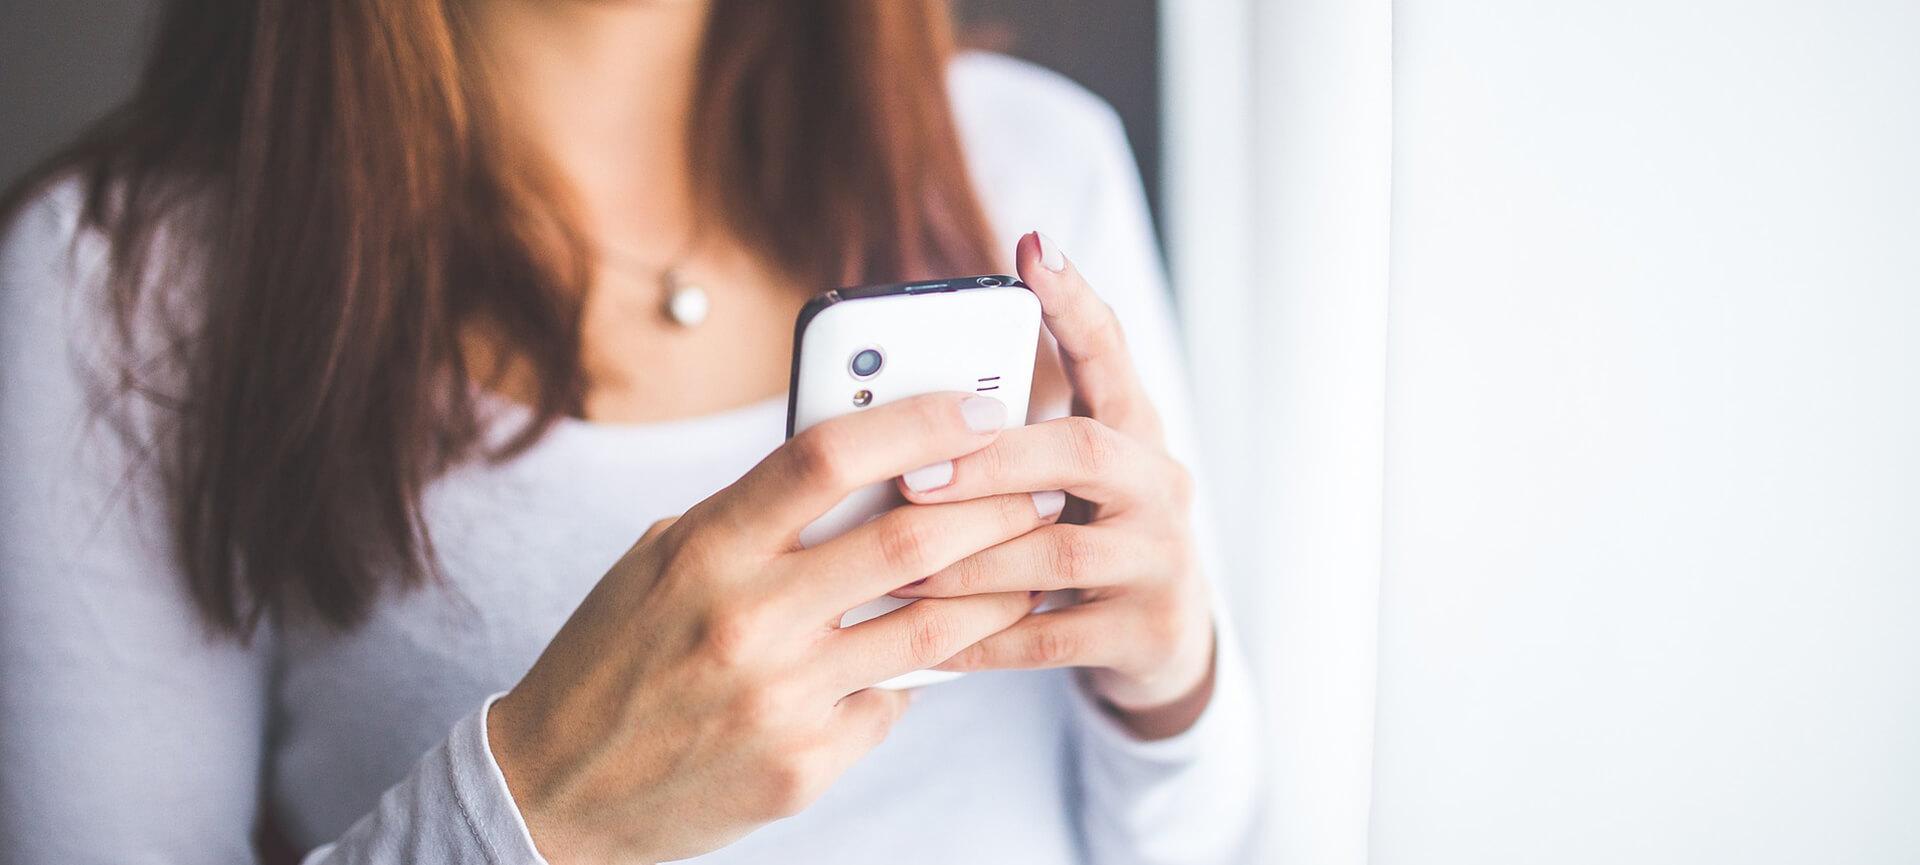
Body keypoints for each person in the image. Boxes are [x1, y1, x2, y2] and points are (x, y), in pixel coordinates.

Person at [0, 2, 1260, 863]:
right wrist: (543, 806)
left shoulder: (1036, 158)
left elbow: (1205, 833)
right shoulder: (122, 285)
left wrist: (1168, 685)